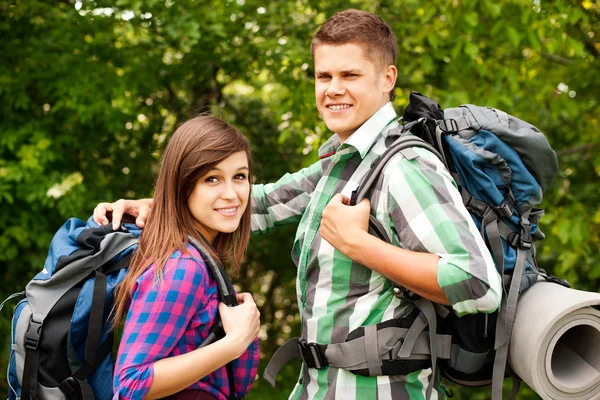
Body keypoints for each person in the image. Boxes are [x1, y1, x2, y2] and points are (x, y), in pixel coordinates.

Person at [95, 9, 502, 400]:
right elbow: (258, 203)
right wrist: (159, 204)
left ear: (387, 79)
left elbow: (477, 283)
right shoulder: (343, 162)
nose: (333, 88)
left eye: (349, 75)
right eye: (324, 75)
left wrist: (359, 245)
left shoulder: (404, 167)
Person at [110, 116, 260, 400]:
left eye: (239, 176)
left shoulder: (201, 258)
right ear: (182, 186)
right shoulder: (183, 266)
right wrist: (234, 343)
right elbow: (131, 384)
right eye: (212, 179)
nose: (232, 194)